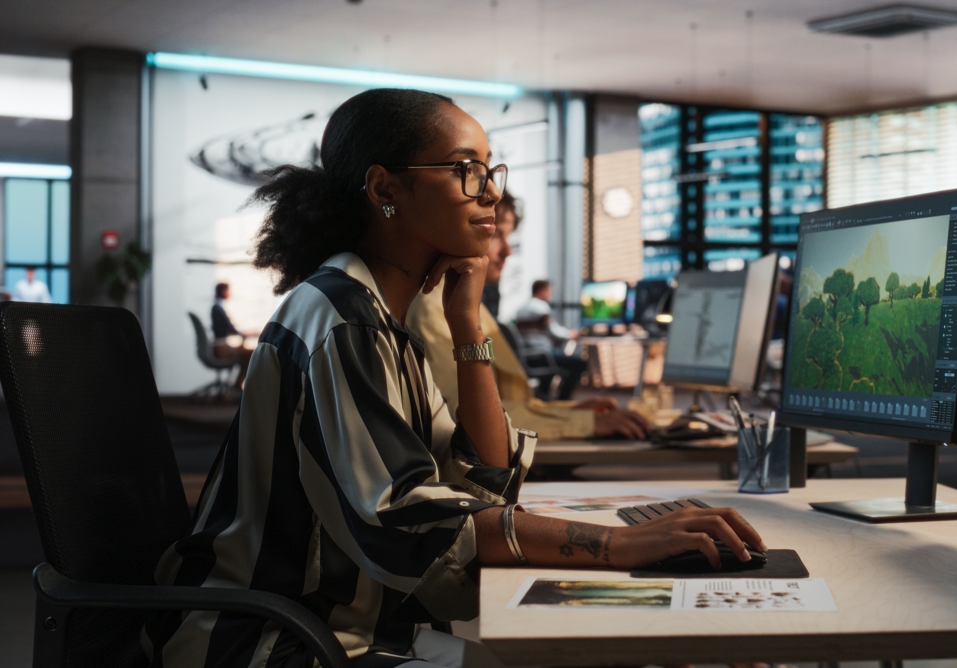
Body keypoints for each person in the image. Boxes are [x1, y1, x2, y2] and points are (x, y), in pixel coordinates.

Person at [145, 89, 760, 667]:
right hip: (273, 642)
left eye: (492, 170)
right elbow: (414, 523)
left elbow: (485, 480)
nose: (489, 192)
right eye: (467, 169)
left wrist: (467, 325)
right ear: (385, 189)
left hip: (349, 628)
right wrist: (619, 544)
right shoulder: (342, 317)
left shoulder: (386, 318)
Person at [408, 193, 648, 440]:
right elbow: (466, 418)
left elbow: (499, 408)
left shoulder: (462, 305)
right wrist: (582, 423)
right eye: (497, 233)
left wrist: (569, 412)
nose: (508, 251)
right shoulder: (434, 312)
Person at [210, 281, 256, 389]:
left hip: (220, 345)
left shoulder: (217, 307)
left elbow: (229, 328)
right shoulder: (217, 309)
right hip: (221, 348)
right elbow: (230, 329)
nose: (230, 293)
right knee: (252, 354)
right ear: (223, 291)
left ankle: (237, 386)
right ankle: (237, 386)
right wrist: (245, 334)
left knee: (246, 356)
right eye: (228, 290)